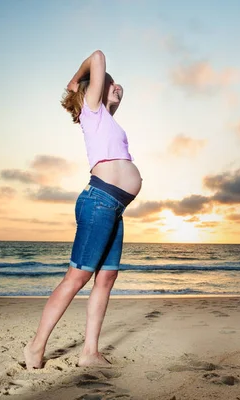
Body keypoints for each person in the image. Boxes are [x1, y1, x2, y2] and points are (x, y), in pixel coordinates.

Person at [24, 50, 142, 369]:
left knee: (106, 279)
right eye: (108, 83)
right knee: (76, 278)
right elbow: (98, 56)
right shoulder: (91, 112)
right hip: (99, 201)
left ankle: (89, 352)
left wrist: (114, 93)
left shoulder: (105, 118)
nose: (114, 86)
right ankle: (35, 348)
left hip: (115, 207)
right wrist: (77, 79)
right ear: (92, 90)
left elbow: (115, 95)